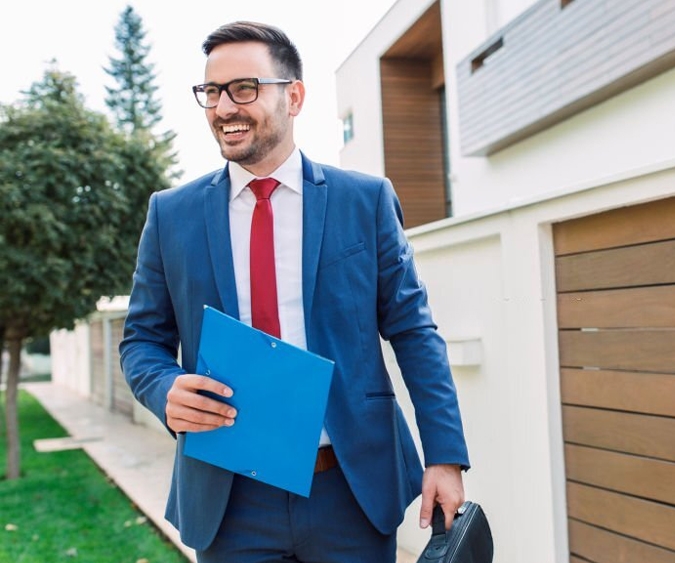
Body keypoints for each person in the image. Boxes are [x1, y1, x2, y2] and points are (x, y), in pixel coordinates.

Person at [119, 21, 469, 563]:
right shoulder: (171, 215)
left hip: (349, 491)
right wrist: (163, 387)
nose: (223, 107)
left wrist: (444, 456)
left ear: (294, 95)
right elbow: (141, 339)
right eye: (211, 92)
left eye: (244, 88)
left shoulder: (365, 200)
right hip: (228, 498)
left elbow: (413, 331)